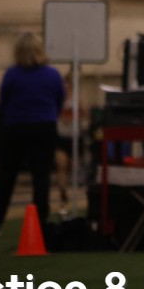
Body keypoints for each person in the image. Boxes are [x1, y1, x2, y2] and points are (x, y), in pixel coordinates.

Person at [0, 33, 64, 238]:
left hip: (16, 126)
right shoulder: (52, 74)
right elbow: (59, 99)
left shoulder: (12, 74)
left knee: (7, 176)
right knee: (41, 176)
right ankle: (40, 225)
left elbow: (3, 100)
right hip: (45, 126)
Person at [54, 70, 89, 214]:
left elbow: (86, 116)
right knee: (61, 165)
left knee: (72, 168)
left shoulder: (77, 100)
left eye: (68, 85)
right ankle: (63, 193)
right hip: (62, 138)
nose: (66, 88)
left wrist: (78, 117)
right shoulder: (57, 100)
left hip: (75, 138)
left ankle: (75, 198)